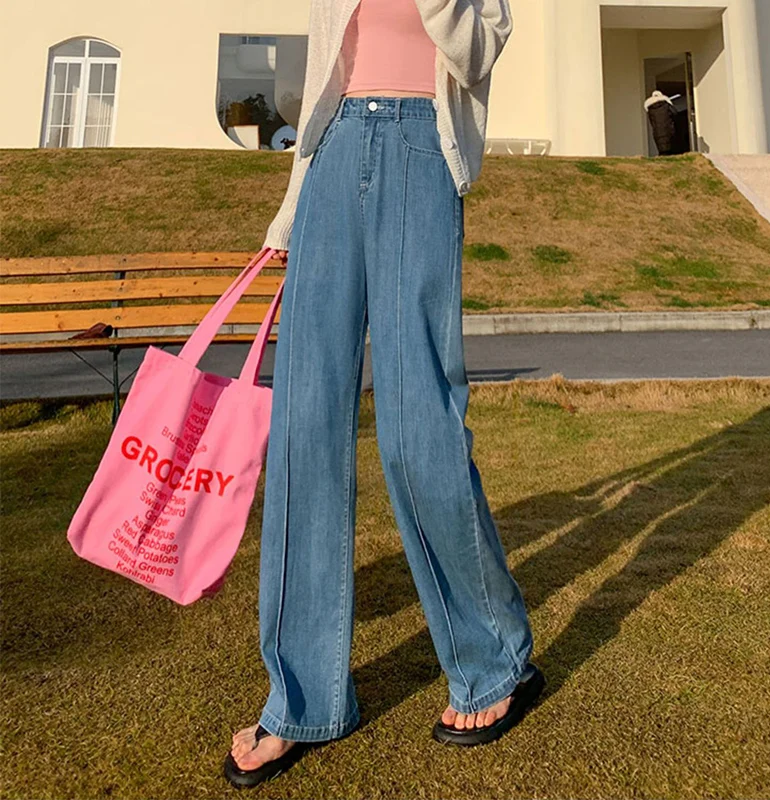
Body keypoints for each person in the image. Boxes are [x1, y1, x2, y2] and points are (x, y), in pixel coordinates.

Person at [224, 0, 544, 787]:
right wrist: (291, 210)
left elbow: (478, 51)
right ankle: (302, 697)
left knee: (418, 428)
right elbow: (322, 75)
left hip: (419, 150)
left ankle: (492, 661)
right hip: (332, 156)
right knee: (303, 428)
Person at [644, 89, 679, 156]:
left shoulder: (650, 109)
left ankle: (662, 154)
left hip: (657, 131)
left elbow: (651, 121)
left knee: (661, 146)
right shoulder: (666, 105)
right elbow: (675, 112)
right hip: (668, 127)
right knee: (669, 145)